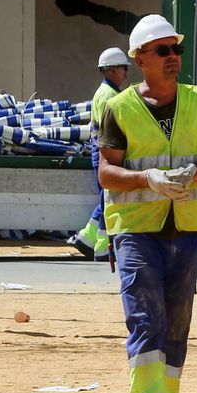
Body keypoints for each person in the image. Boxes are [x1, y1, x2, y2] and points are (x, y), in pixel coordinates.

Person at [97, 13, 197, 393]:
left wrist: (195, 173)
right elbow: (106, 172)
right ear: (140, 59)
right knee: (145, 320)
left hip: (189, 230)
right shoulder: (120, 109)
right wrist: (147, 179)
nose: (174, 57)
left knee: (175, 327)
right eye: (163, 50)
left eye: (176, 49)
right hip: (137, 231)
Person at [69, 47, 131, 259]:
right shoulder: (109, 95)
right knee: (109, 200)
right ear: (112, 70)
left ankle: (87, 238)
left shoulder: (106, 92)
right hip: (107, 152)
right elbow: (114, 129)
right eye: (124, 68)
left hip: (102, 151)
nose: (126, 73)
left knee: (106, 198)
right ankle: (103, 247)